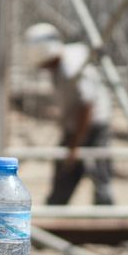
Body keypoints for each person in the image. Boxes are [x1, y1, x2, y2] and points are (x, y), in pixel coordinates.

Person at [23, 22, 114, 206]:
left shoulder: (70, 67)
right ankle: (55, 209)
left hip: (92, 127)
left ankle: (105, 218)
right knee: (65, 171)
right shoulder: (64, 62)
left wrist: (75, 145)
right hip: (78, 126)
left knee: (97, 173)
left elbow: (87, 106)